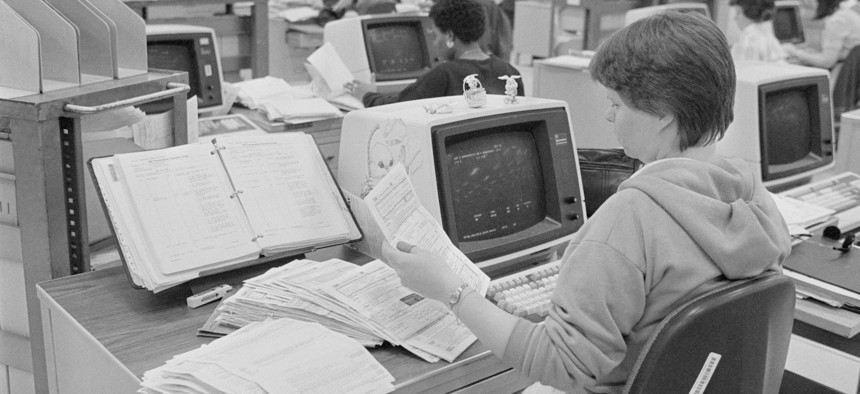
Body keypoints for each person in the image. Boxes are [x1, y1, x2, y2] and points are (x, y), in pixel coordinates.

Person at [380, 11, 791, 393]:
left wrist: (451, 291)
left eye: (616, 104)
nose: (609, 117)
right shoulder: (751, 193)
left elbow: (560, 362)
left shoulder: (631, 218)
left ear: (663, 112)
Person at [360, 0, 524, 107]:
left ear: (450, 35)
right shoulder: (511, 73)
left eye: (435, 34)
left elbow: (399, 105)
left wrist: (365, 95)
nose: (434, 42)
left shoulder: (444, 75)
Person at [782, 0, 860, 69]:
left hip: (843, 75)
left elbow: (827, 62)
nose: (804, 5)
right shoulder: (845, 14)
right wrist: (810, 54)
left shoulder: (837, 21)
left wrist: (795, 53)